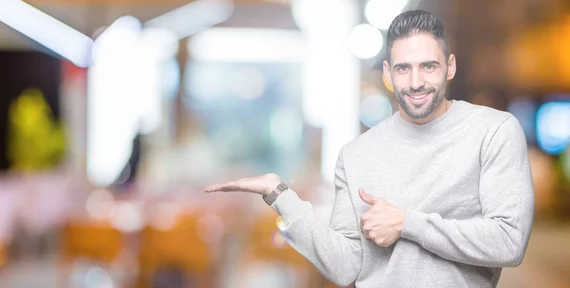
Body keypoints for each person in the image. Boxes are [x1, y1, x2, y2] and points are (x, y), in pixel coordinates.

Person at [205, 9, 534, 288]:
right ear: (389, 74)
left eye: (428, 66)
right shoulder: (356, 154)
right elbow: (346, 266)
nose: (416, 81)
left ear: (449, 66)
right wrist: (280, 196)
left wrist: (407, 223)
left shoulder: (493, 131)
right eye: (403, 68)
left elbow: (509, 241)